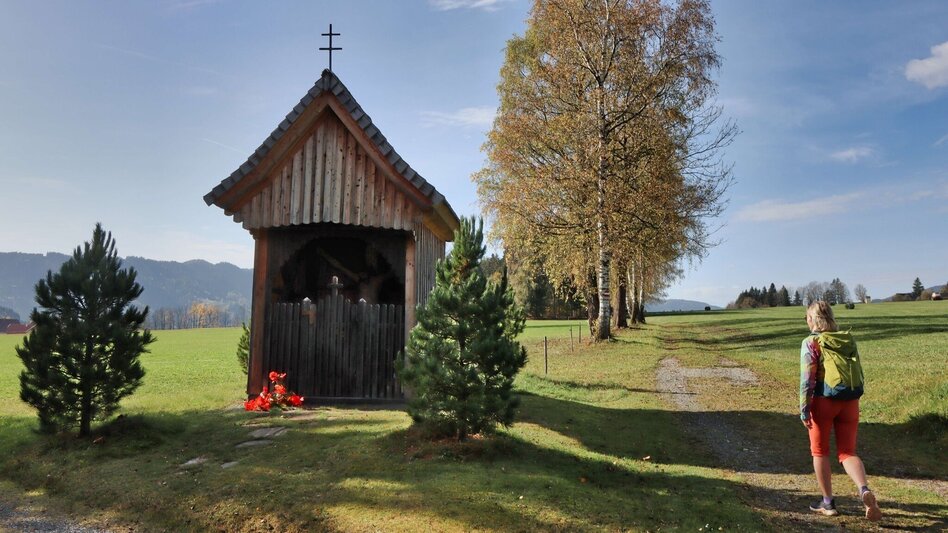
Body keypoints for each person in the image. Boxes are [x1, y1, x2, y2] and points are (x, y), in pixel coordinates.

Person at [800, 301, 882, 522]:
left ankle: (827, 503)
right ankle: (864, 490)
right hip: (849, 400)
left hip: (823, 402)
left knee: (820, 451)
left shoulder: (811, 342)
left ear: (812, 320)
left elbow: (807, 380)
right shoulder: (847, 339)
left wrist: (804, 408)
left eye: (807, 317)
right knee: (847, 452)